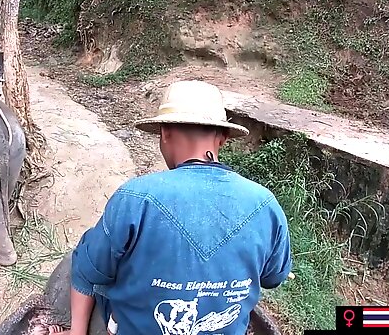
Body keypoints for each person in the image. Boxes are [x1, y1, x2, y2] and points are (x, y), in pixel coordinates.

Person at [54, 80, 293, 335]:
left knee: (83, 256)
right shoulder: (265, 204)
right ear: (222, 139)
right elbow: (273, 277)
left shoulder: (134, 197)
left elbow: (87, 269)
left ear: (165, 133)